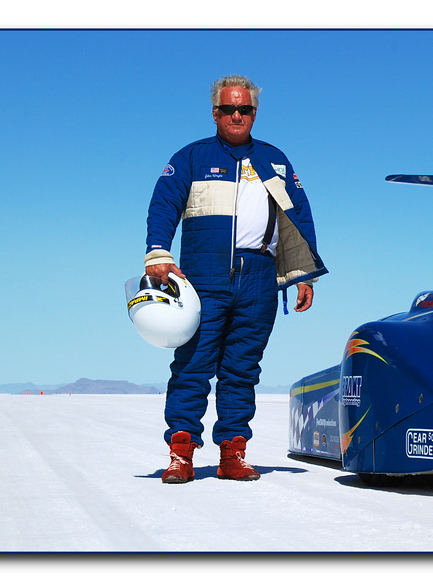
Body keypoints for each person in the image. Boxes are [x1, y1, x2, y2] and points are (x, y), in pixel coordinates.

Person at [144, 75, 327, 483]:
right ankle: (181, 453)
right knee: (193, 365)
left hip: (259, 276)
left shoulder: (275, 159)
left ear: (254, 113)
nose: (237, 115)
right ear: (215, 113)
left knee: (242, 370)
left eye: (245, 109)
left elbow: (300, 215)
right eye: (229, 109)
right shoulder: (191, 157)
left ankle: (233, 453)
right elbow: (163, 206)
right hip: (203, 274)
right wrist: (157, 253)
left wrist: (304, 277)